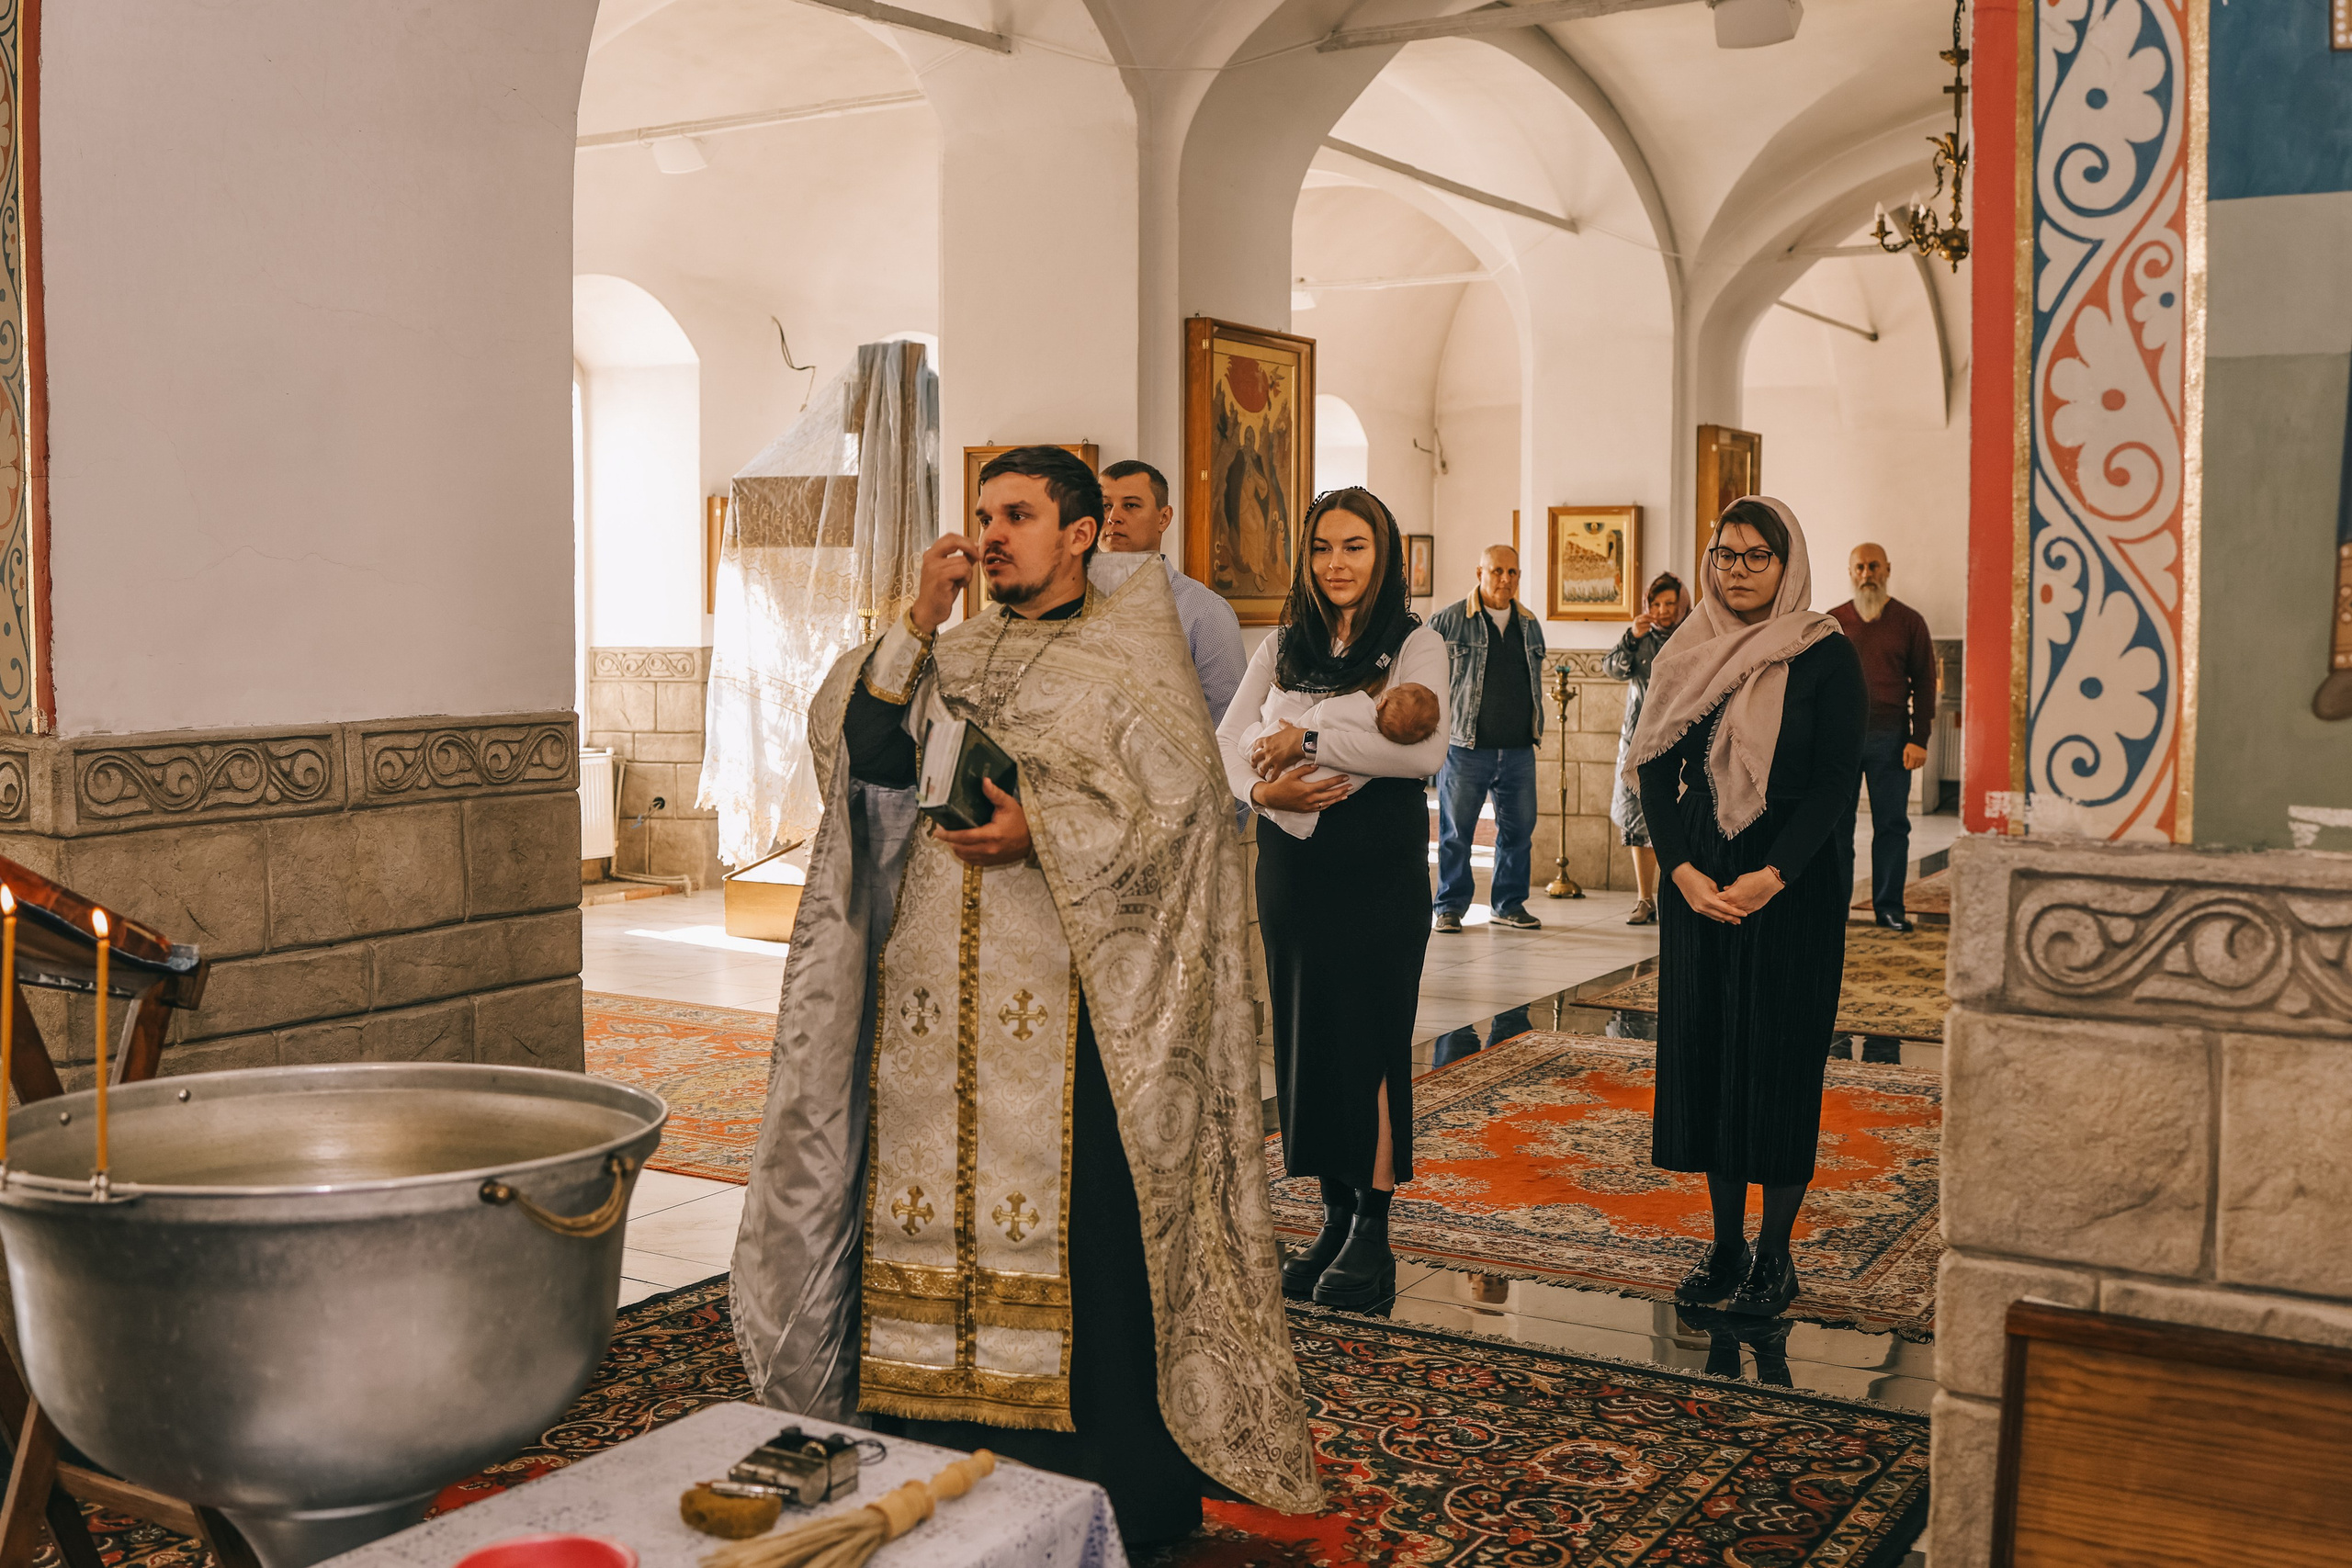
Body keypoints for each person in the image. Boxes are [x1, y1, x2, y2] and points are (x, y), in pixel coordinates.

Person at [729, 446, 1321, 1546]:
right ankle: (935, 1467)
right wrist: (916, 616)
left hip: (1072, 1015)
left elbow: (1183, 818)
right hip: (926, 1022)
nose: (991, 534)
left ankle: (1098, 1490)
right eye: (983, 516)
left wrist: (1038, 830)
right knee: (915, 1227)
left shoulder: (1125, 661)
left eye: (1018, 516)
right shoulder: (949, 651)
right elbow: (860, 755)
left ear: (1082, 533)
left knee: (1088, 1240)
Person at [1624, 496, 1864, 1319]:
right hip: (1704, 871)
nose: (1738, 570)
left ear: (1788, 560)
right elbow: (1655, 766)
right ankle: (1726, 1246)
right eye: (1726, 554)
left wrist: (1776, 874)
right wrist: (1681, 873)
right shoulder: (1686, 649)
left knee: (1779, 1056)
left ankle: (1776, 1256)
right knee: (1712, 1052)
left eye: (1757, 556)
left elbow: (1837, 780)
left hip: (1794, 876)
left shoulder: (1824, 652)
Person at [1216, 488, 1448, 1311]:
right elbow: (1229, 739)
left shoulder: (1416, 643)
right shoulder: (1282, 644)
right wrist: (1263, 793)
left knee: (1370, 1035)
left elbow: (1421, 755)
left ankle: (1373, 1229)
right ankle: (1333, 1211)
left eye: (1355, 547)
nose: (1337, 564)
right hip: (1291, 866)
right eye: (1322, 548)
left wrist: (1306, 738)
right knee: (1306, 1032)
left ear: (1382, 557)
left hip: (1375, 868)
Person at [1428, 545, 1547, 933]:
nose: (1506, 580)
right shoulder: (1448, 621)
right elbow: (1424, 681)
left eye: (1513, 572)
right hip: (1465, 748)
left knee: (1518, 831)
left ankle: (1509, 904)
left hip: (1518, 749)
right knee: (1455, 832)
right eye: (1497, 571)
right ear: (1478, 572)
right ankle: (1449, 906)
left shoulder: (1528, 624)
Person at [1827, 543, 1937, 931]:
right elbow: (1816, 683)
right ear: (1850, 571)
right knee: (1834, 827)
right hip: (1838, 740)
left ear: (1887, 569)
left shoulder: (1910, 622)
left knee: (1892, 825)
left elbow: (1925, 683)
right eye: (1859, 567)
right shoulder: (1832, 622)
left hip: (1891, 738)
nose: (1866, 573)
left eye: (1874, 566)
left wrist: (1919, 738)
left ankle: (1889, 907)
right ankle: (1833, 909)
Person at [1100, 458, 1248, 725]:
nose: (1113, 517)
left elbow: (1229, 724)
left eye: (1130, 505)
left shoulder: (1205, 613)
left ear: (1163, 518)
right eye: (1105, 506)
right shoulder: (1070, 603)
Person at [1229, 681, 1442, 840]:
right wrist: (1262, 793)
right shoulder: (1380, 759)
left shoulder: (1359, 707)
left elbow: (1322, 715)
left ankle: (1252, 747)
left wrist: (1300, 739)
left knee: (1270, 738)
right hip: (1317, 809)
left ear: (1382, 701)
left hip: (1292, 777)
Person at [1604, 571, 1687, 926]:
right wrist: (1630, 637)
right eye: (1656, 603)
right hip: (1639, 739)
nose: (1663, 611)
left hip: (1682, 737)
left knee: (1681, 817)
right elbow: (1613, 669)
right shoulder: (1638, 640)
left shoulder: (1694, 636)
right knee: (1639, 817)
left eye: (1670, 603)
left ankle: (1680, 895)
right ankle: (1644, 898)